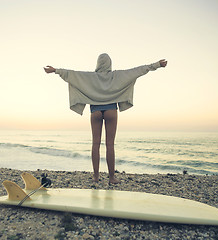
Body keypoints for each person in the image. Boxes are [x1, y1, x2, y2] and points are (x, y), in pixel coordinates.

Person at [44, 54, 167, 184]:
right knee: (110, 145)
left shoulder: (90, 77)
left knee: (95, 144)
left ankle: (96, 177)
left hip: (95, 111)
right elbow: (138, 70)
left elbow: (72, 74)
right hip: (111, 111)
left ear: (98, 63)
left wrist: (55, 70)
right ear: (109, 63)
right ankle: (112, 178)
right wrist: (157, 65)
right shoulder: (117, 75)